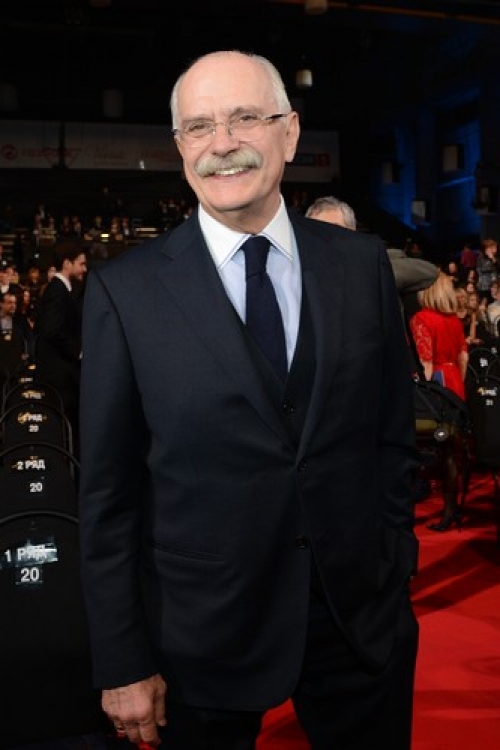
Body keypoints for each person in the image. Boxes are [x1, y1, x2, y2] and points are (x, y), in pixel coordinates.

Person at [78, 50, 419, 750]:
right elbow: (108, 496)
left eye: (244, 118)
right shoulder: (125, 292)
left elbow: (392, 435)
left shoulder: (360, 265)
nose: (222, 143)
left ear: (289, 134)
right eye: (199, 126)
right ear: (179, 147)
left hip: (359, 621)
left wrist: (396, 561)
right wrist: (122, 658)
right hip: (198, 638)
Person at [409, 273, 469, 532]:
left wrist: (422, 390)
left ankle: (419, 500)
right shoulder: (454, 320)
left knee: (425, 444)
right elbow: (463, 356)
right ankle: (450, 509)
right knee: (451, 453)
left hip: (436, 385)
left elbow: (426, 362)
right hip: (454, 381)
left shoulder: (421, 318)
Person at [34, 238, 87, 444]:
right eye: (81, 264)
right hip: (59, 378)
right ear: (67, 263)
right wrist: (78, 351)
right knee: (62, 433)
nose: (84, 269)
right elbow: (52, 330)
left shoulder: (60, 290)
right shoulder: (57, 291)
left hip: (61, 376)